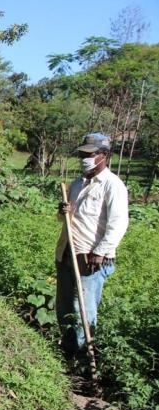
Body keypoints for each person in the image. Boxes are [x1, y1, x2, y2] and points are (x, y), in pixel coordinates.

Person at [55, 132, 129, 361]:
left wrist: (100, 252)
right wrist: (63, 212)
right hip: (68, 252)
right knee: (65, 307)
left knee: (84, 312)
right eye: (82, 154)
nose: (84, 158)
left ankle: (86, 360)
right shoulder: (78, 183)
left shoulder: (112, 185)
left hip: (91, 258)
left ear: (104, 155)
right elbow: (69, 219)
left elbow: (118, 223)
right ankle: (69, 354)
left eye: (90, 154)